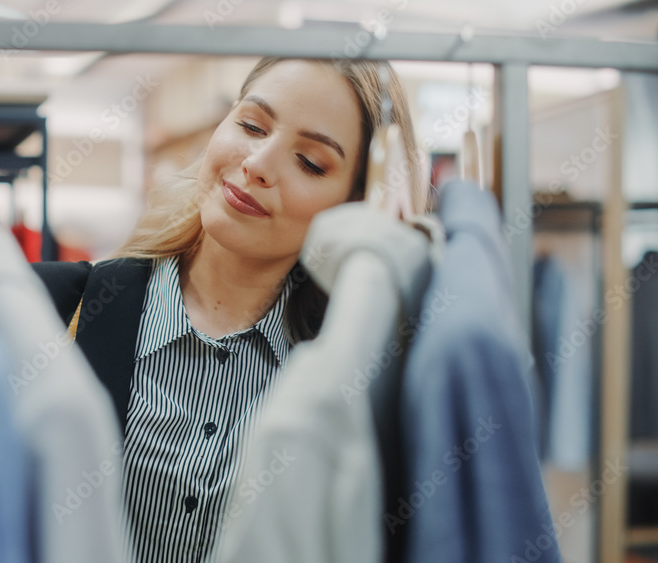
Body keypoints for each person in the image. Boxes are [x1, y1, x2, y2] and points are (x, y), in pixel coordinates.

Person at [32, 56, 425, 563]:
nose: (258, 164)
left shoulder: (361, 373)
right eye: (251, 125)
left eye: (310, 162)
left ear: (353, 203)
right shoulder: (56, 309)